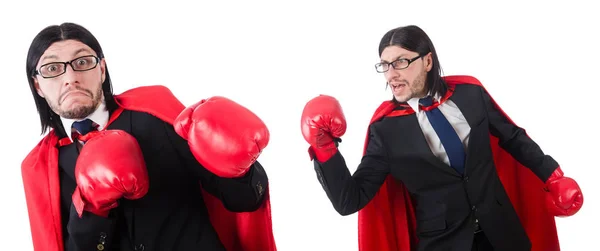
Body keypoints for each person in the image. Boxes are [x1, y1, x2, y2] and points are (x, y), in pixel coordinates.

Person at [300, 25, 583, 251]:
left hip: (502, 233)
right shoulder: (385, 130)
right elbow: (350, 200)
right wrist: (324, 148)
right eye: (384, 65)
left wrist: (553, 176)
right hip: (443, 243)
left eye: (400, 62)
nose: (391, 75)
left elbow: (513, 138)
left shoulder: (471, 94)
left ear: (427, 61)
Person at [22, 22, 277, 251]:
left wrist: (240, 167)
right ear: (38, 86)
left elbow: (245, 199)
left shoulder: (155, 112)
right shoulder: (41, 167)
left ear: (101, 69)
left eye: (82, 62)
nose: (70, 78)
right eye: (52, 68)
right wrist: (91, 207)